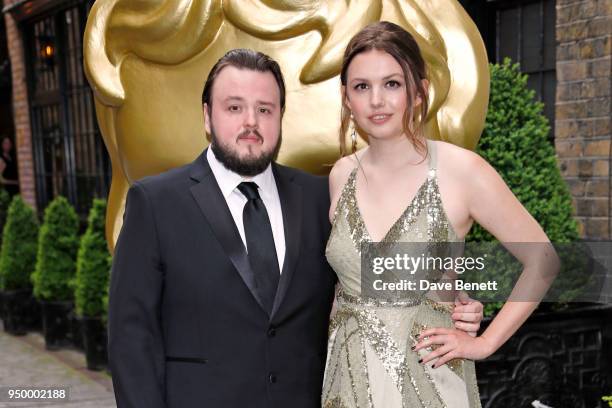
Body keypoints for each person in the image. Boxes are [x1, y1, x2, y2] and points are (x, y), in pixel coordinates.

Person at [108, 48, 483, 408]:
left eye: (264, 109)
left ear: (280, 116)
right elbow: (130, 339)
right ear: (207, 116)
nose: (250, 122)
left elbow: (368, 277)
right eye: (234, 107)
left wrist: (450, 296)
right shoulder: (155, 203)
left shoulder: (320, 197)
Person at [322, 22, 558, 408]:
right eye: (362, 86)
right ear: (347, 98)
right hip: (347, 383)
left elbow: (543, 261)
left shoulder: (461, 171)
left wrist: (483, 343)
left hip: (429, 381)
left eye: (392, 84)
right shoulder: (341, 175)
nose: (376, 100)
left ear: (419, 91)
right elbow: (346, 286)